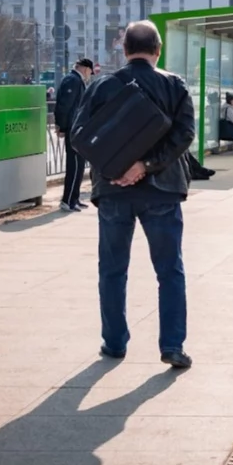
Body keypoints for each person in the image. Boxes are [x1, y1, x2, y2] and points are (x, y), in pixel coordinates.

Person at [71, 20, 195, 370]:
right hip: (162, 190)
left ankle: (114, 343)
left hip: (112, 191)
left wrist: (118, 169)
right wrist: (147, 165)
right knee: (169, 270)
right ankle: (172, 345)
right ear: (159, 50)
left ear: (124, 51)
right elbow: (184, 135)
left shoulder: (101, 86)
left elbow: (79, 135)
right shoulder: (174, 85)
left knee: (112, 269)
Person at [54, 58, 95, 212]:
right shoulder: (73, 80)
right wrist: (62, 126)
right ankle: (68, 200)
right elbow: (64, 106)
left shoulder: (75, 80)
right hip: (73, 129)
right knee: (75, 165)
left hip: (77, 128)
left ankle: (74, 199)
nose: (90, 75)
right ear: (85, 69)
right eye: (90, 72)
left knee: (78, 164)